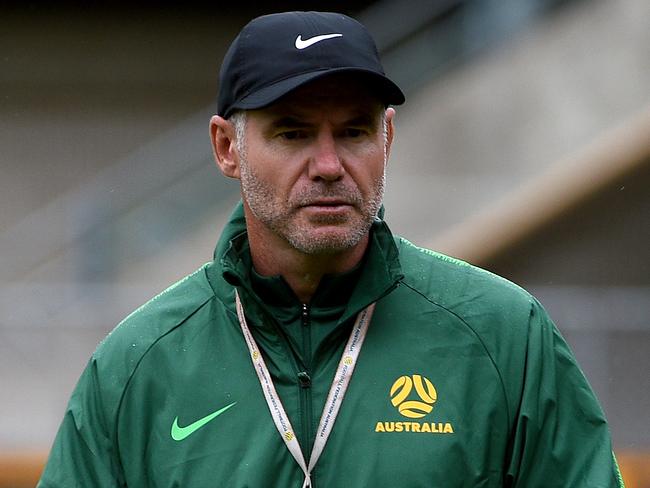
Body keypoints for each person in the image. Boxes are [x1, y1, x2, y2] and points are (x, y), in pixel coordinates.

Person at [38, 10, 624, 488]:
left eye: (353, 131)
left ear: (387, 139)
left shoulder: (504, 337)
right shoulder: (138, 367)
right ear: (226, 148)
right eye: (292, 132)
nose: (328, 166)